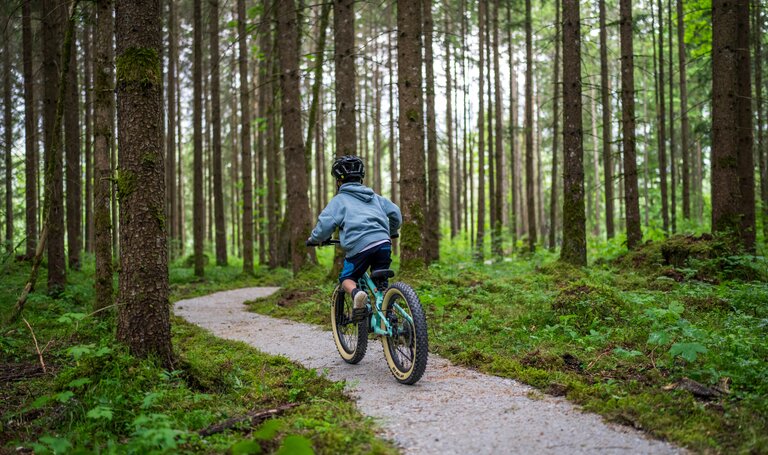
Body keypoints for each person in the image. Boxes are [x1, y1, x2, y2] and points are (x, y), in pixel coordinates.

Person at [307, 155, 401, 322]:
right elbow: (396, 214)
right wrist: (391, 230)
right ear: (361, 177)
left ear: (338, 181)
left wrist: (315, 239)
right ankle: (389, 315)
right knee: (381, 281)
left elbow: (324, 226)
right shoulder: (375, 197)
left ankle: (357, 293)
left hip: (359, 246)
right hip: (384, 242)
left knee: (347, 278)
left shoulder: (339, 200)